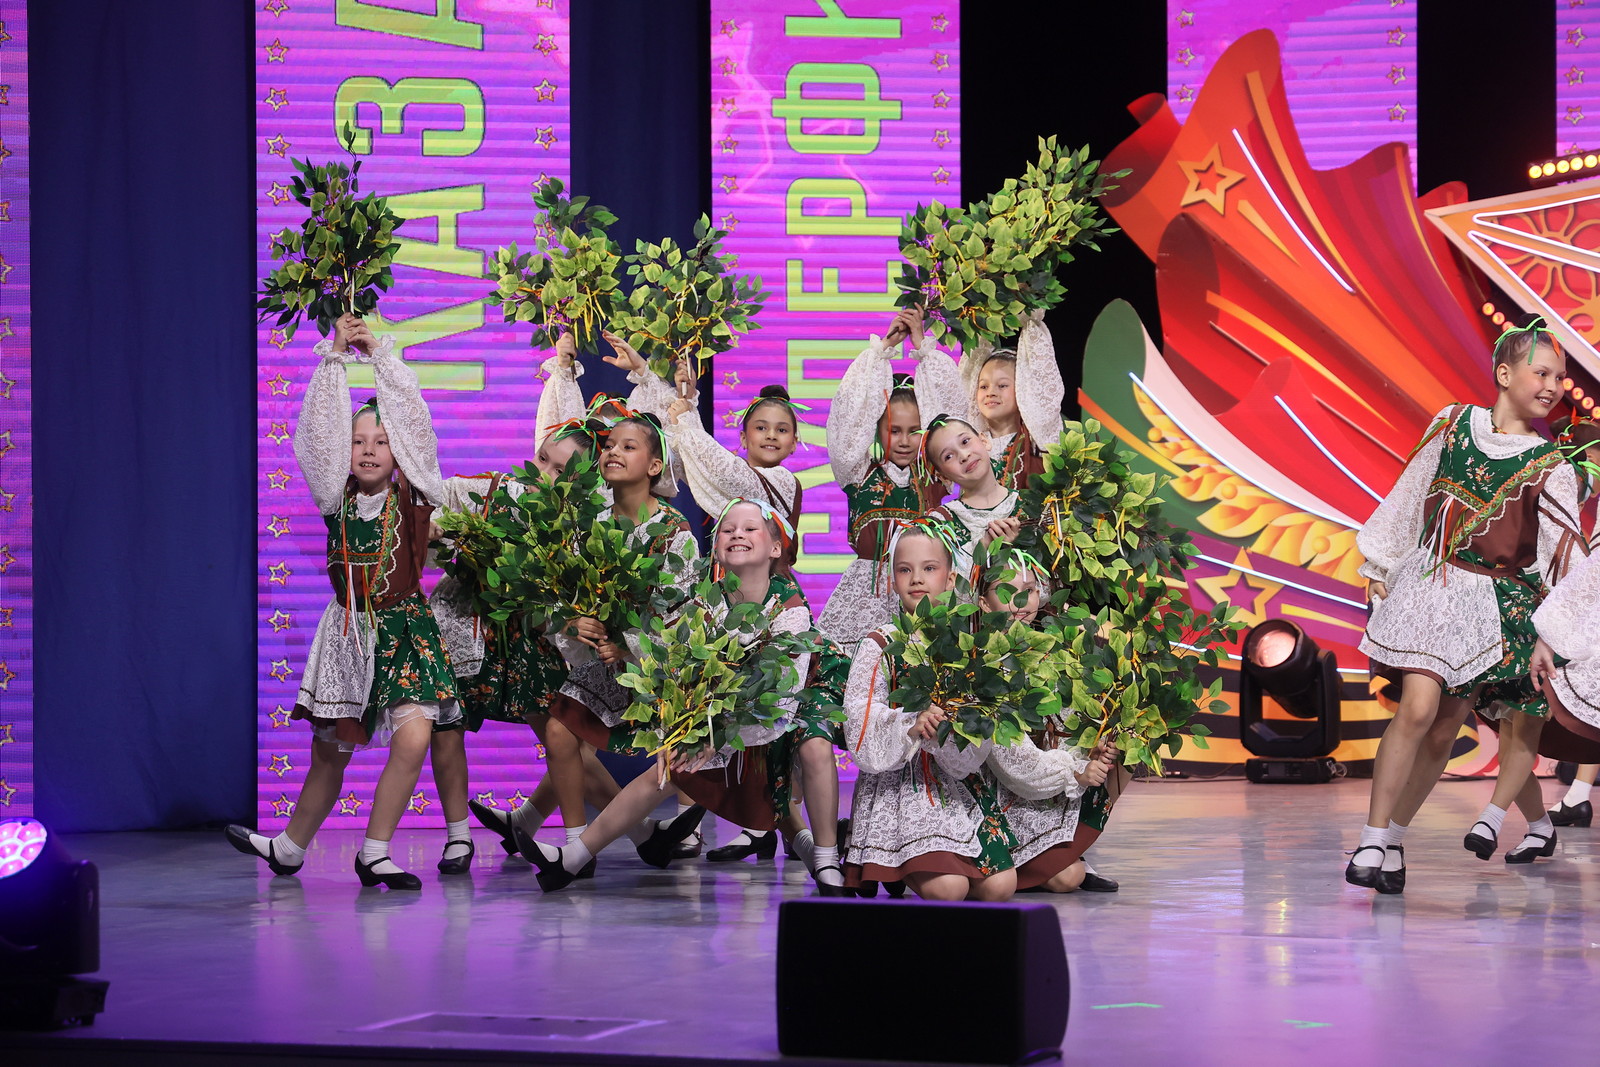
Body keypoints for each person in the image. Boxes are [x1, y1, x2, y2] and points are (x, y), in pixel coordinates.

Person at [1350, 317, 1585, 893]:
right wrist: (1379, 564)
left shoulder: (1551, 466)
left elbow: (1563, 557)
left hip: (1487, 608)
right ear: (1504, 374)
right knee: (1416, 709)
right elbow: (1410, 491)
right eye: (1542, 373)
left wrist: (1553, 632)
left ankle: (1394, 842)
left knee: (1442, 732)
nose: (1553, 386)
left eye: (1560, 378)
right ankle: (1372, 838)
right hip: (1431, 585)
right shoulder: (1453, 424)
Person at [226, 313, 459, 890]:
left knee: (414, 736)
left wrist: (377, 354)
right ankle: (289, 847)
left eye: (381, 441)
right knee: (330, 752)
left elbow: (413, 423)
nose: (369, 449)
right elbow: (319, 434)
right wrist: (334, 357)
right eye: (359, 441)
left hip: (406, 630)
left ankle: (374, 851)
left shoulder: (415, 497)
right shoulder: (336, 499)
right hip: (349, 632)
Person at [514, 500, 820, 891]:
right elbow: (677, 657)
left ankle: (823, 856)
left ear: (776, 548)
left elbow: (779, 693)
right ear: (715, 547)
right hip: (712, 718)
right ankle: (572, 858)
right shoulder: (705, 600)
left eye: (749, 529)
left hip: (763, 722)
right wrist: (684, 722)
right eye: (727, 530)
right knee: (681, 772)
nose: (737, 534)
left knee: (763, 794)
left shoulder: (788, 608)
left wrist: (713, 732)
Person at [426, 330, 594, 875]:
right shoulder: (495, 490)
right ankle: (458, 838)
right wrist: (437, 532)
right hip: (464, 626)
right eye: (543, 459)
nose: (545, 474)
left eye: (561, 470)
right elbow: (436, 504)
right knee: (446, 722)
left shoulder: (582, 529)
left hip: (533, 636)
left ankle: (579, 842)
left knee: (562, 731)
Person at [841, 521, 1019, 901]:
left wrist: (957, 731)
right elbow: (859, 713)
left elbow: (982, 719)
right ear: (892, 579)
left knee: (1001, 888)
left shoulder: (968, 645)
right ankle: (894, 863)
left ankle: (916, 866)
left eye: (929, 568)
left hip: (953, 779)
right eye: (905, 569)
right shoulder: (881, 643)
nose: (917, 578)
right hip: (902, 781)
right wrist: (909, 724)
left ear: (951, 579)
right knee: (950, 889)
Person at [819, 308, 934, 650]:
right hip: (864, 599)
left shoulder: (934, 474)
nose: (904, 440)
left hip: (922, 595)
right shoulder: (858, 472)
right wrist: (882, 350)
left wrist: (921, 345)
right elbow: (850, 410)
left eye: (914, 431)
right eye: (894, 430)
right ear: (876, 430)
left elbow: (949, 412)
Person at [911, 309, 1064, 488]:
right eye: (983, 386)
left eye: (1002, 385)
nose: (991, 392)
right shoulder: (967, 445)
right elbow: (942, 396)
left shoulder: (1037, 444)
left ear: (1022, 389)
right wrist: (921, 344)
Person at [920, 415, 1023, 579]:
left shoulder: (1030, 504)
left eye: (965, 441)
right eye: (948, 456)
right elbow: (940, 588)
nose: (963, 455)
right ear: (943, 477)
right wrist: (984, 547)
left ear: (984, 440)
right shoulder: (941, 524)